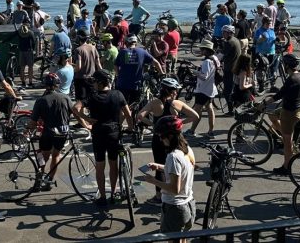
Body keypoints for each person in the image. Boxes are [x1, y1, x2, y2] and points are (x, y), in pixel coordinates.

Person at [73, 70, 134, 207]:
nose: (93, 84)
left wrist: (87, 121)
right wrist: (130, 127)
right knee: (113, 164)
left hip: (98, 133)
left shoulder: (92, 97)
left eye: (94, 81)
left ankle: (102, 196)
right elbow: (128, 114)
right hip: (114, 132)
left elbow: (75, 109)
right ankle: (113, 193)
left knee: (100, 166)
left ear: (100, 83)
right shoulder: (118, 94)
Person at [136, 78, 198, 205]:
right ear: (172, 91)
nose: (176, 92)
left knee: (159, 165)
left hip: (158, 138)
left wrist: (153, 124)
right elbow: (195, 116)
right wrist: (179, 123)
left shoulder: (154, 103)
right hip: (176, 138)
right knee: (179, 163)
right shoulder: (176, 103)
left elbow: (140, 116)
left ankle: (159, 196)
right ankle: (179, 192)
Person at [140, 116, 196, 240]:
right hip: (189, 204)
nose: (160, 139)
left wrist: (153, 181)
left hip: (174, 208)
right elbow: (182, 169)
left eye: (161, 136)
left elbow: (174, 189)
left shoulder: (173, 157)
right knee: (183, 239)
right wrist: (160, 167)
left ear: (170, 136)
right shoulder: (187, 150)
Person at [26, 73, 75, 192]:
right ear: (57, 85)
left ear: (45, 85)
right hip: (62, 132)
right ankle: (49, 181)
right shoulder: (65, 98)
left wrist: (26, 130)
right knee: (56, 155)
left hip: (48, 133)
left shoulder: (41, 100)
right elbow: (74, 113)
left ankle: (39, 180)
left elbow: (32, 122)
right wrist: (86, 124)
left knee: (42, 156)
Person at [261, 54, 300, 175]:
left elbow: (278, 95)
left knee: (287, 141)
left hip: (290, 112)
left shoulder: (291, 79)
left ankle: (286, 166)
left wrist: (264, 103)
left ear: (286, 66)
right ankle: (283, 133)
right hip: (298, 109)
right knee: (272, 114)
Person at [184, 39, 219, 138]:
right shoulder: (214, 59)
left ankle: (192, 130)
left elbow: (204, 76)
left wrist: (194, 72)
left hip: (203, 90)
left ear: (206, 50)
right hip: (210, 89)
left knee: (196, 111)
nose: (200, 50)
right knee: (209, 109)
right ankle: (211, 131)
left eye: (202, 49)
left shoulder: (207, 62)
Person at [115, 35, 160, 105]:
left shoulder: (122, 52)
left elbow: (116, 65)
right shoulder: (142, 52)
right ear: (135, 43)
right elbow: (156, 62)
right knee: (134, 105)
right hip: (136, 85)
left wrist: (118, 76)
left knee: (122, 106)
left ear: (126, 43)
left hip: (122, 84)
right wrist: (162, 73)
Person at [73, 30, 101, 121]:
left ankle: (83, 121)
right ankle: (93, 118)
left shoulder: (78, 50)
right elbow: (98, 64)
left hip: (81, 79)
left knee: (81, 101)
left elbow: (79, 67)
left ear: (78, 38)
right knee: (91, 100)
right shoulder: (93, 48)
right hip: (92, 79)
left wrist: (71, 69)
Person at [221, 24, 242, 114]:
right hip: (235, 68)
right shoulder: (235, 40)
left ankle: (231, 109)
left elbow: (222, 55)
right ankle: (234, 106)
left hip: (230, 69)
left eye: (224, 32)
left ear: (229, 33)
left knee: (227, 91)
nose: (223, 34)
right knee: (232, 88)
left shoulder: (229, 42)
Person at [12, 22, 36, 88]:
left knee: (22, 68)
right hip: (29, 51)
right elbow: (34, 42)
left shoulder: (19, 32)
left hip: (21, 51)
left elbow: (11, 36)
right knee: (30, 67)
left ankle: (23, 82)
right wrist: (33, 49)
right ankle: (30, 82)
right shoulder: (30, 33)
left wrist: (3, 41)